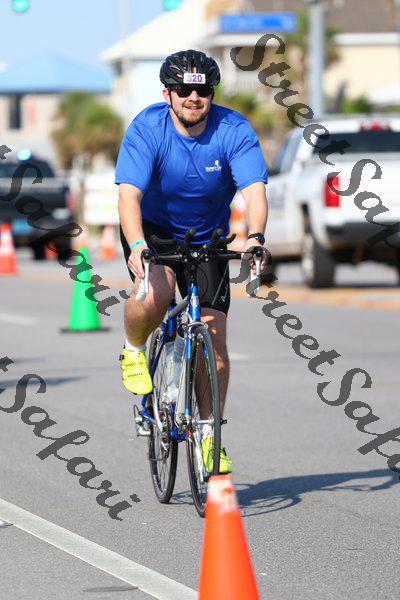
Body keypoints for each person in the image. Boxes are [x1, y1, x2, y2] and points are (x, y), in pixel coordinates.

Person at [115, 49, 269, 474]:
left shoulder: (233, 128)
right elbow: (128, 195)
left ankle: (208, 434)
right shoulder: (148, 128)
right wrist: (136, 244)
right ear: (167, 93)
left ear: (212, 94)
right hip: (154, 231)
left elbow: (254, 191)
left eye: (202, 91)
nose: (193, 98)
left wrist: (255, 237)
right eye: (183, 90)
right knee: (156, 295)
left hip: (208, 238)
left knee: (214, 338)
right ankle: (133, 348)